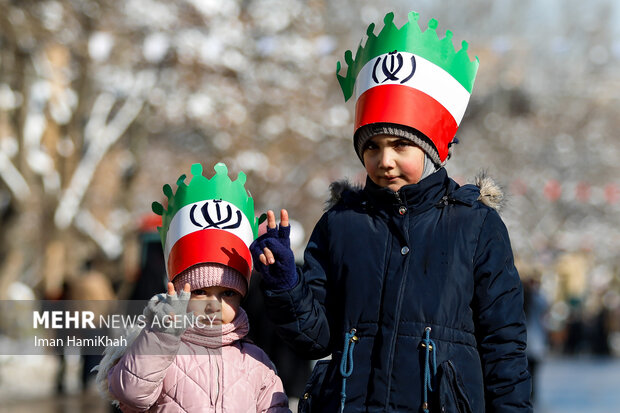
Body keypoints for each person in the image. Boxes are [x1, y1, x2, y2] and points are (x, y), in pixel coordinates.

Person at [250, 11, 532, 413]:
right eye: (372, 146)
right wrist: (285, 285)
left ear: (433, 150)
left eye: (400, 145)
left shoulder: (476, 225)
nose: (384, 160)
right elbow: (315, 338)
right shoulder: (340, 224)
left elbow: (504, 346)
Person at [96, 163, 290, 412]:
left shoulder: (255, 362)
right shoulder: (162, 351)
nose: (213, 304)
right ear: (179, 293)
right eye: (200, 292)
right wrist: (162, 334)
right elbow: (132, 392)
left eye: (227, 293)